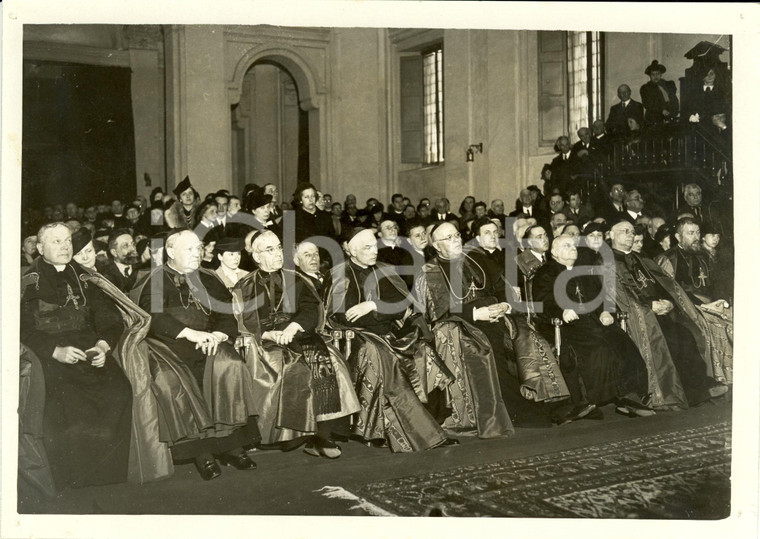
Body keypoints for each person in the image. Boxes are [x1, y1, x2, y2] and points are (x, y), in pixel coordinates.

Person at [133, 230, 260, 480]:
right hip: (170, 345)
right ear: (170, 252)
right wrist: (189, 334)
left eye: (198, 248)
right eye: (189, 249)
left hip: (210, 340)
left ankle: (231, 445)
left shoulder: (208, 278)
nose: (197, 254)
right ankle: (201, 452)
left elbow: (225, 313)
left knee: (231, 364)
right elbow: (154, 318)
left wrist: (220, 335)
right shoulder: (154, 280)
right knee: (172, 380)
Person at [20, 223, 133, 489]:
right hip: (46, 352)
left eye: (68, 241)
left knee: (119, 390)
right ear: (39, 248)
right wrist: (54, 351)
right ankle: (72, 479)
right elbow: (21, 328)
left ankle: (107, 475)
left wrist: (103, 346)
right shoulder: (28, 281)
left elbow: (108, 316)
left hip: (89, 347)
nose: (65, 246)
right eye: (56, 241)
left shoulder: (85, 277)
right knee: (65, 399)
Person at [235, 231, 359, 458]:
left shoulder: (297, 278)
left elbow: (311, 308)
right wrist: (270, 335)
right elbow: (243, 321)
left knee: (333, 361)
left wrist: (293, 327)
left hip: (298, 333)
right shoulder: (244, 285)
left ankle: (322, 434)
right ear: (256, 257)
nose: (277, 253)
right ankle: (294, 435)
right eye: (269, 250)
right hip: (266, 342)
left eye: (279, 247)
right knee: (292, 367)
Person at [326, 228, 452, 452]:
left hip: (389, 330)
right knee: (382, 356)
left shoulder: (385, 270)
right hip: (358, 336)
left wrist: (373, 305)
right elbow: (341, 315)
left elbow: (404, 303)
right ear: (352, 252)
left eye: (375, 246)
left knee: (424, 350)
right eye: (367, 248)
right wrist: (380, 312)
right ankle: (410, 431)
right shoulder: (339, 274)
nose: (374, 251)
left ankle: (433, 420)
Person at [608, 221, 728, 408]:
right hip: (639, 315)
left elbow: (665, 285)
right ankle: (682, 392)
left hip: (662, 311)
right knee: (669, 340)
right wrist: (650, 305)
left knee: (686, 335)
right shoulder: (606, 262)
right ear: (611, 235)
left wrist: (670, 302)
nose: (630, 235)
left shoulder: (642, 259)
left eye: (632, 232)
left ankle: (699, 387)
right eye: (625, 231)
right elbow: (618, 295)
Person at [531, 235, 653, 419]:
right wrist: (561, 312)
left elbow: (601, 296)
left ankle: (630, 395)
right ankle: (597, 399)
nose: (573, 248)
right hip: (567, 324)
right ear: (554, 253)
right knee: (599, 348)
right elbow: (542, 302)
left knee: (623, 341)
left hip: (594, 320)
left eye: (573, 245)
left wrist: (605, 312)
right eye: (566, 246)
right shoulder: (546, 272)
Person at [97, 228, 140, 293]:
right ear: (114, 252)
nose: (133, 248)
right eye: (125, 246)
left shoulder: (142, 268)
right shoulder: (105, 275)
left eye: (133, 244)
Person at [640, 60, 679, 125]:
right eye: (653, 74)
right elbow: (647, 104)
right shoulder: (645, 88)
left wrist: (673, 112)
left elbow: (674, 99)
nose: (655, 76)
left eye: (657, 74)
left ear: (661, 74)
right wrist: (661, 110)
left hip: (669, 118)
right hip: (653, 119)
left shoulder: (668, 85)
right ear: (650, 76)